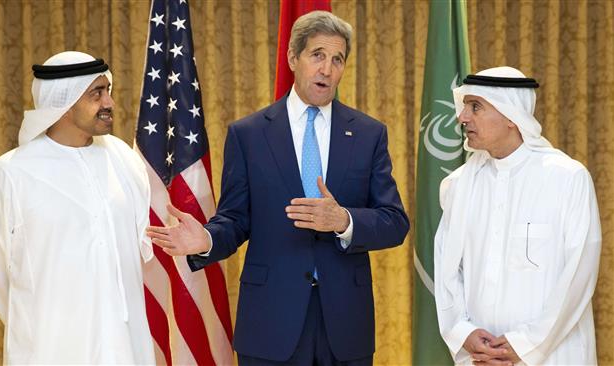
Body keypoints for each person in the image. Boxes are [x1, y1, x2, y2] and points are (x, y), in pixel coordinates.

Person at [146, 11, 409, 366]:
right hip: (270, 323)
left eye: (337, 59)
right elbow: (236, 219)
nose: (327, 70)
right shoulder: (249, 134)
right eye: (317, 55)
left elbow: (394, 222)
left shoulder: (368, 133)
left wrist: (344, 220)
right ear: (292, 58)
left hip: (345, 325)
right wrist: (206, 240)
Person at [0, 51, 155, 365]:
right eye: (97, 94)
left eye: (107, 91)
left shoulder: (125, 161)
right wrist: (38, 320)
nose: (109, 103)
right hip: (50, 349)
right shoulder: (10, 174)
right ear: (63, 103)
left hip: (126, 346)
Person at [434, 66, 601, 365]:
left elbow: (578, 276)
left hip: (553, 355)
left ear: (511, 116)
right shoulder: (457, 186)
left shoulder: (567, 178)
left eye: (475, 107)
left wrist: (525, 344)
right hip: (481, 358)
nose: (462, 117)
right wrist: (463, 334)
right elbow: (446, 271)